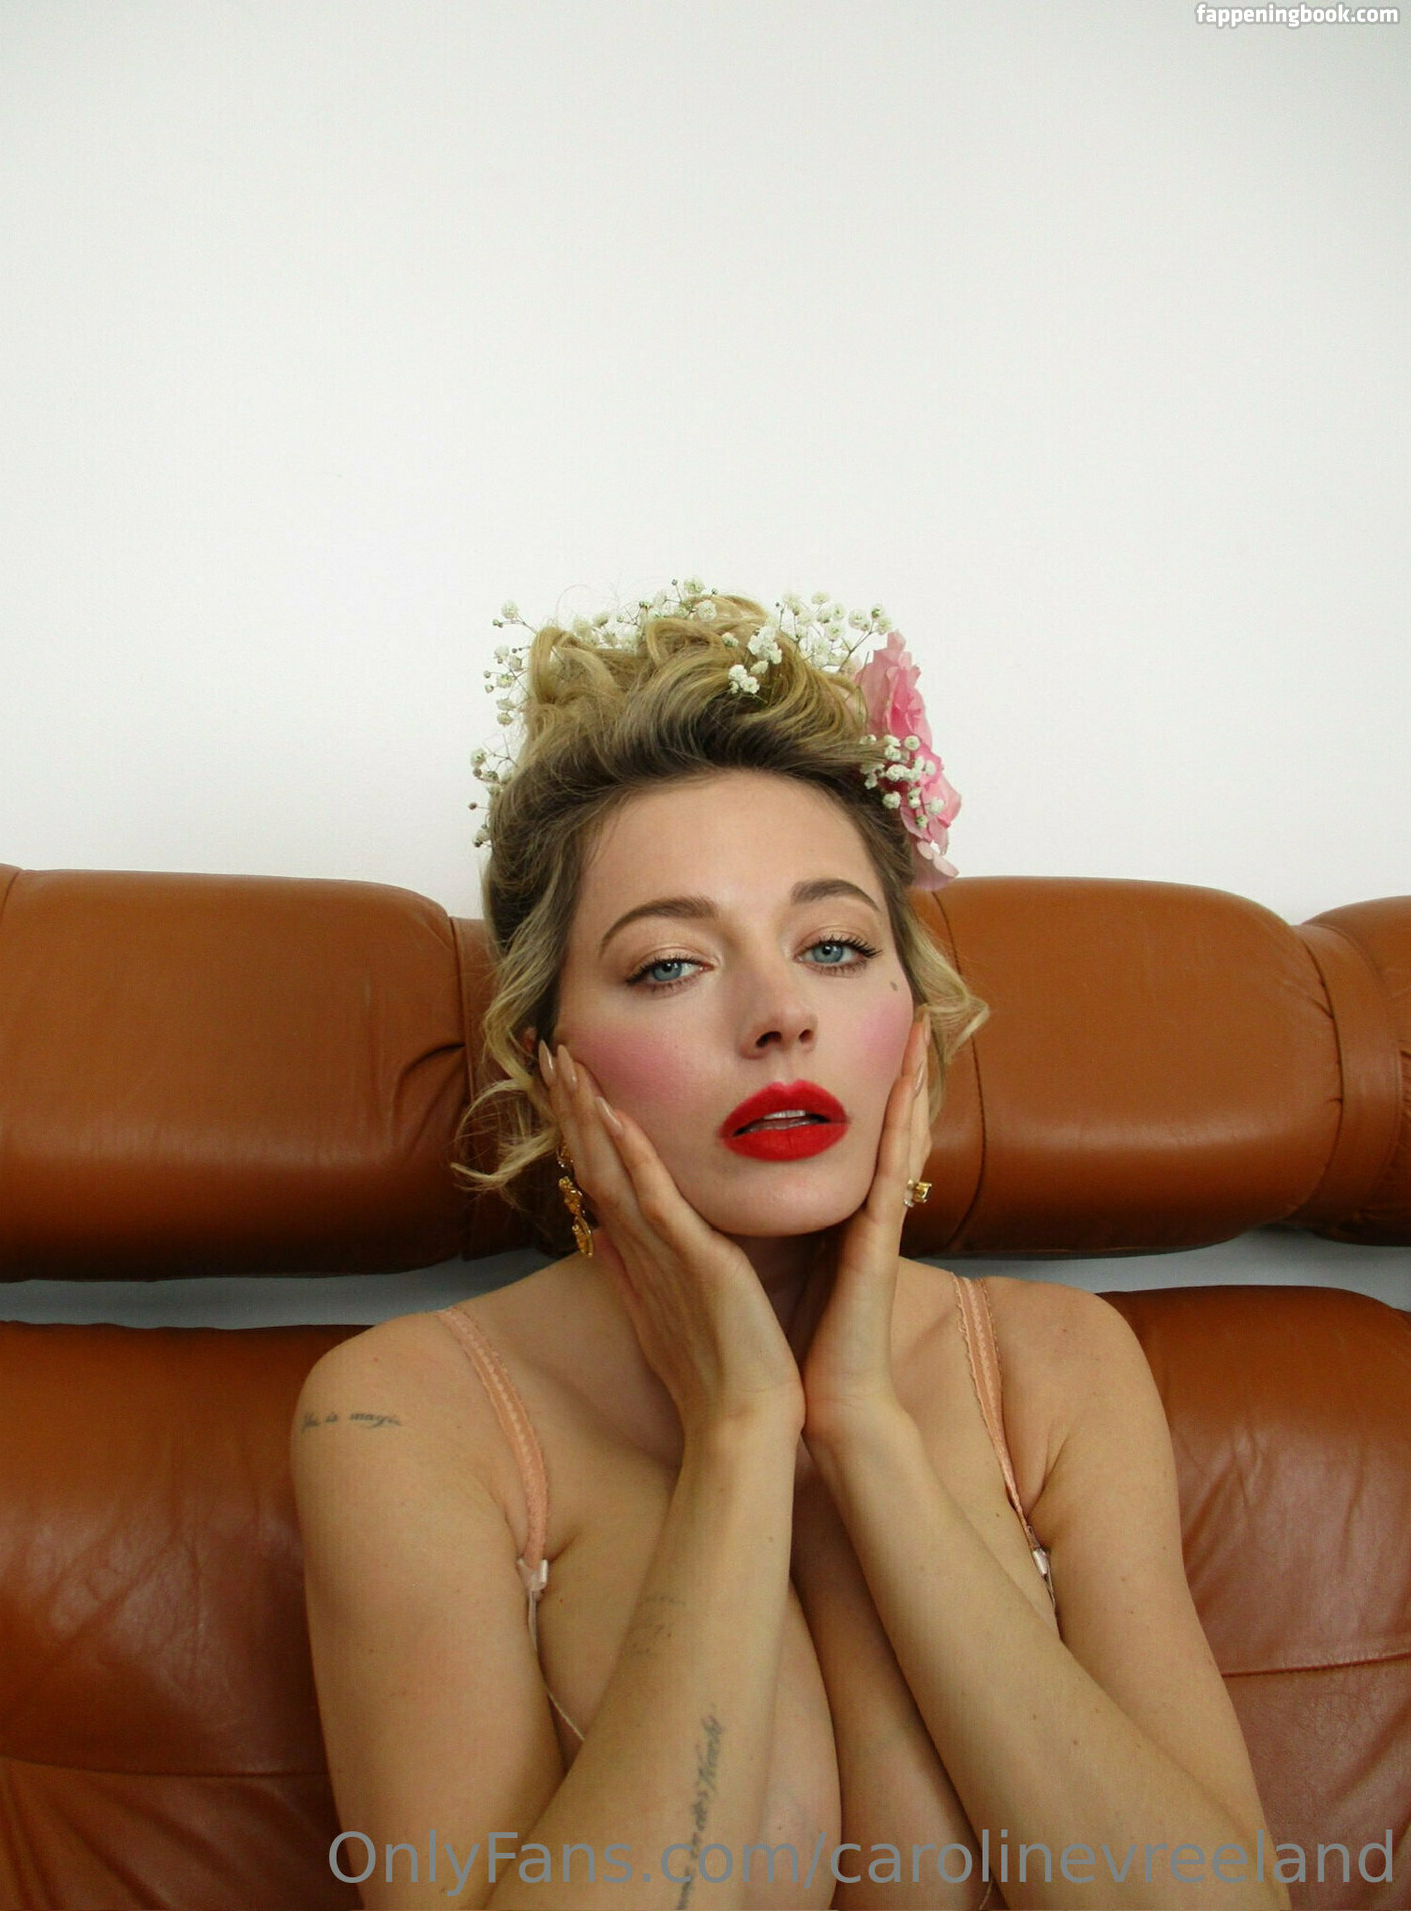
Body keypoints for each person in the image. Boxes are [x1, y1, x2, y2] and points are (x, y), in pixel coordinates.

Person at [291, 585, 1286, 1911]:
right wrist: (742, 1433)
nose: (778, 1016)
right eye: (670, 965)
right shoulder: (403, 1417)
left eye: (833, 945)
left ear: (913, 1010)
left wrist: (865, 1431)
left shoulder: (1060, 1370)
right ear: (548, 1060)